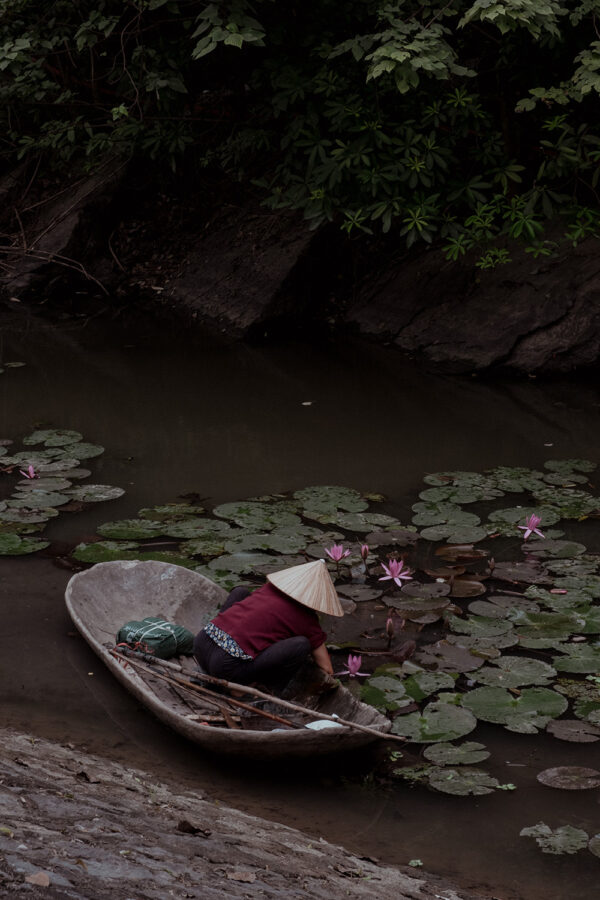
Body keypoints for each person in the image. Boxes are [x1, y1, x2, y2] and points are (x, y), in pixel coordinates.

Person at [193, 559, 343, 692]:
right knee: (302, 644)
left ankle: (219, 667)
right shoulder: (308, 621)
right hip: (225, 667)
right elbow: (327, 669)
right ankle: (264, 689)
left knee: (241, 592)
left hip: (201, 645)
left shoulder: (268, 589)